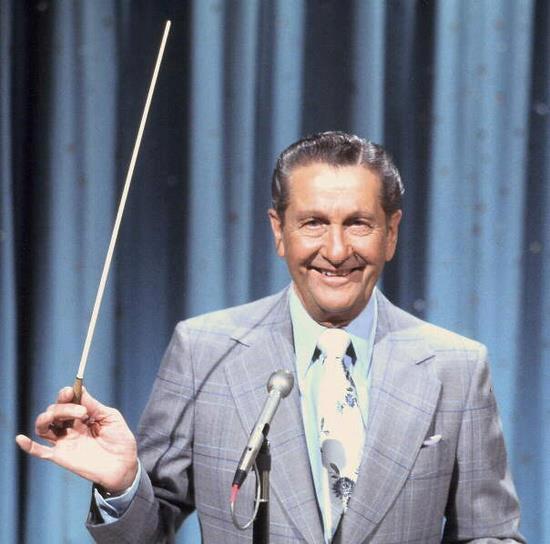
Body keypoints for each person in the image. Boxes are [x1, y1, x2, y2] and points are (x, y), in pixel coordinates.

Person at [16, 132, 524, 543]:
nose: (337, 250)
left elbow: (490, 533)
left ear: (391, 233)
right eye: (313, 223)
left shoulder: (456, 367)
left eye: (358, 224)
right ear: (279, 231)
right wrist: (124, 484)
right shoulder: (204, 352)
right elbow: (149, 533)